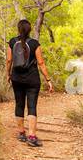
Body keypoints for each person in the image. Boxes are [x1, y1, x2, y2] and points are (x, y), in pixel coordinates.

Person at [7, 19, 54, 147]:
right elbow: (41, 63)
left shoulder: (12, 42)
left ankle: (21, 133)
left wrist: (8, 75)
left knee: (19, 104)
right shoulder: (34, 43)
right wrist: (48, 80)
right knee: (32, 106)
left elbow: (9, 60)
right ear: (29, 30)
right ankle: (32, 137)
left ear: (18, 29)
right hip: (32, 79)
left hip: (16, 78)